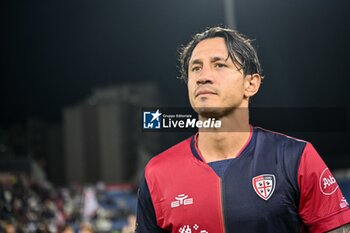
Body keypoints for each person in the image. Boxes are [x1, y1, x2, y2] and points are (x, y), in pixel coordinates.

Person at [135, 27, 350, 233]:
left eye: (219, 65)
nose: (203, 76)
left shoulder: (296, 158)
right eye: (196, 68)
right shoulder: (158, 172)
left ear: (251, 84)